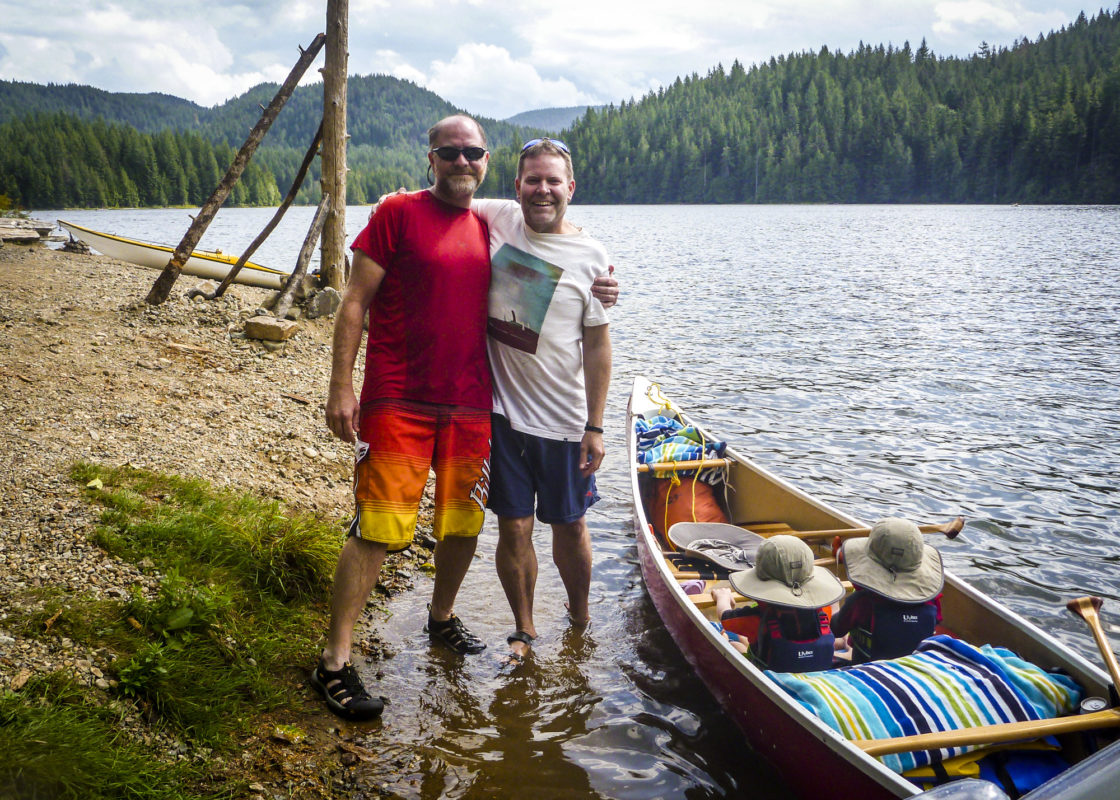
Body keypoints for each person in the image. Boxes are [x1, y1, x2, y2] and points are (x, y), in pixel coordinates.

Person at [312, 116, 617, 720]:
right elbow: (354, 303)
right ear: (431, 158)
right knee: (377, 527)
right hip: (399, 399)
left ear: (484, 162)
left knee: (462, 526)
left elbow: (568, 263)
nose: (461, 162)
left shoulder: (490, 220)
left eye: (472, 152)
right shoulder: (400, 212)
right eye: (449, 152)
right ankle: (334, 661)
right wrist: (341, 386)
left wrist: (604, 287)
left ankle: (442, 617)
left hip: (474, 405)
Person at [470, 138, 612, 664]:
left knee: (571, 525)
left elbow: (597, 346)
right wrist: (395, 201)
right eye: (534, 180)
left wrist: (595, 427)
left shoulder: (592, 257)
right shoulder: (499, 217)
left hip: (564, 420)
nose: (543, 190)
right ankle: (524, 630)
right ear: (517, 186)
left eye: (554, 181)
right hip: (502, 414)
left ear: (571, 189)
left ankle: (580, 618)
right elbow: (442, 196)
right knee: (513, 526)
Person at [717, 535, 845, 672]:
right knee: (749, 638)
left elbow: (724, 617)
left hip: (770, 672)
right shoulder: (823, 609)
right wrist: (832, 597)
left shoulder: (757, 616)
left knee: (735, 644)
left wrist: (723, 597)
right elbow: (833, 613)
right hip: (817, 666)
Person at [831, 517, 944, 664]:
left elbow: (836, 628)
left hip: (868, 668)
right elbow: (936, 622)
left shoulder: (862, 601)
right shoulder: (930, 600)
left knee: (839, 633)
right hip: (911, 666)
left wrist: (834, 603)